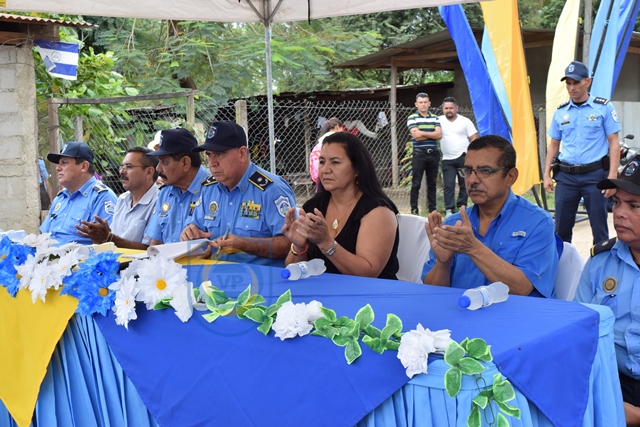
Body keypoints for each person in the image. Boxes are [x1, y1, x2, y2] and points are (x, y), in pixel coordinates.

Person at [422, 135, 557, 297]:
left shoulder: (537, 223)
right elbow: (431, 295)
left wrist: (472, 247)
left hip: (515, 313)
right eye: (468, 171)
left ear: (511, 177)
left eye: (485, 171)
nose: (472, 180)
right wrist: (443, 263)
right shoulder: (454, 225)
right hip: (460, 311)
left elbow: (522, 289)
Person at [574, 155, 640, 424]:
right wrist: (601, 395)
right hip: (611, 381)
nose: (619, 213)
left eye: (634, 205)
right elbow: (578, 332)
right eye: (617, 202)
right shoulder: (600, 261)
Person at [282, 132, 399, 279]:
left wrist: (326, 243)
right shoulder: (314, 206)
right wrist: (299, 246)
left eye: (335, 162)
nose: (325, 169)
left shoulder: (378, 211)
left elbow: (369, 273)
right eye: (322, 162)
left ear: (357, 169)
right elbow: (293, 270)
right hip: (321, 291)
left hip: (370, 292)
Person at [181, 121, 295, 265]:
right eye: (209, 154)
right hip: (215, 274)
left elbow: (291, 244)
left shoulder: (272, 190)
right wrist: (190, 233)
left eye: (220, 154)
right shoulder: (209, 188)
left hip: (261, 276)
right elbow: (195, 229)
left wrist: (245, 245)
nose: (212, 163)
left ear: (242, 154)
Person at [544, 60, 621, 245]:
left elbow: (614, 143)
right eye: (568, 83)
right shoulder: (560, 112)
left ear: (588, 81)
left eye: (576, 83)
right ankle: (562, 263)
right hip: (566, 177)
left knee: (599, 229)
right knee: (560, 230)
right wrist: (546, 174)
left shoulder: (603, 108)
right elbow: (553, 145)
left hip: (594, 176)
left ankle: (598, 263)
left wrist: (612, 177)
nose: (571, 88)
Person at [75, 147, 159, 249]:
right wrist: (99, 238)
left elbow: (150, 250)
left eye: (129, 166)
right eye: (122, 166)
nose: (122, 171)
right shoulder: (122, 199)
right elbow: (113, 240)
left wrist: (108, 238)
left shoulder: (159, 202)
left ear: (149, 172)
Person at [40, 142, 117, 245]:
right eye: (59, 163)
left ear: (84, 166)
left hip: (81, 255)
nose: (57, 168)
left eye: (64, 163)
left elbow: (106, 244)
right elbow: (45, 235)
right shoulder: (60, 198)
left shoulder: (101, 197)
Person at [145, 128, 210, 245]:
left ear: (185, 163)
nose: (158, 168)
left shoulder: (215, 190)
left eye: (164, 162)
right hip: (167, 257)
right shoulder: (165, 192)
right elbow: (156, 244)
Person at [439, 97, 479, 218]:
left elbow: (474, 137)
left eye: (451, 108)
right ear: (443, 109)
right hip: (447, 158)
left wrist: (470, 152)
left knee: (464, 184)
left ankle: (462, 207)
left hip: (463, 157)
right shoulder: (438, 121)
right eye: (446, 108)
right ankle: (449, 210)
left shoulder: (465, 121)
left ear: (457, 108)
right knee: (448, 185)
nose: (449, 110)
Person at [407, 92, 442, 215]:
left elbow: (439, 135)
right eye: (420, 102)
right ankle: (414, 210)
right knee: (416, 183)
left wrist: (422, 133)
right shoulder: (412, 117)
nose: (423, 104)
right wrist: (432, 134)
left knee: (432, 183)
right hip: (419, 154)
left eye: (425, 102)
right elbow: (416, 137)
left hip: (433, 154)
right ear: (416, 104)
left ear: (429, 103)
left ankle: (432, 210)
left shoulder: (435, 118)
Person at [310, 117, 342, 189]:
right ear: (337, 127)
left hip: (319, 176)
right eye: (341, 128)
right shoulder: (335, 140)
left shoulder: (320, 141)